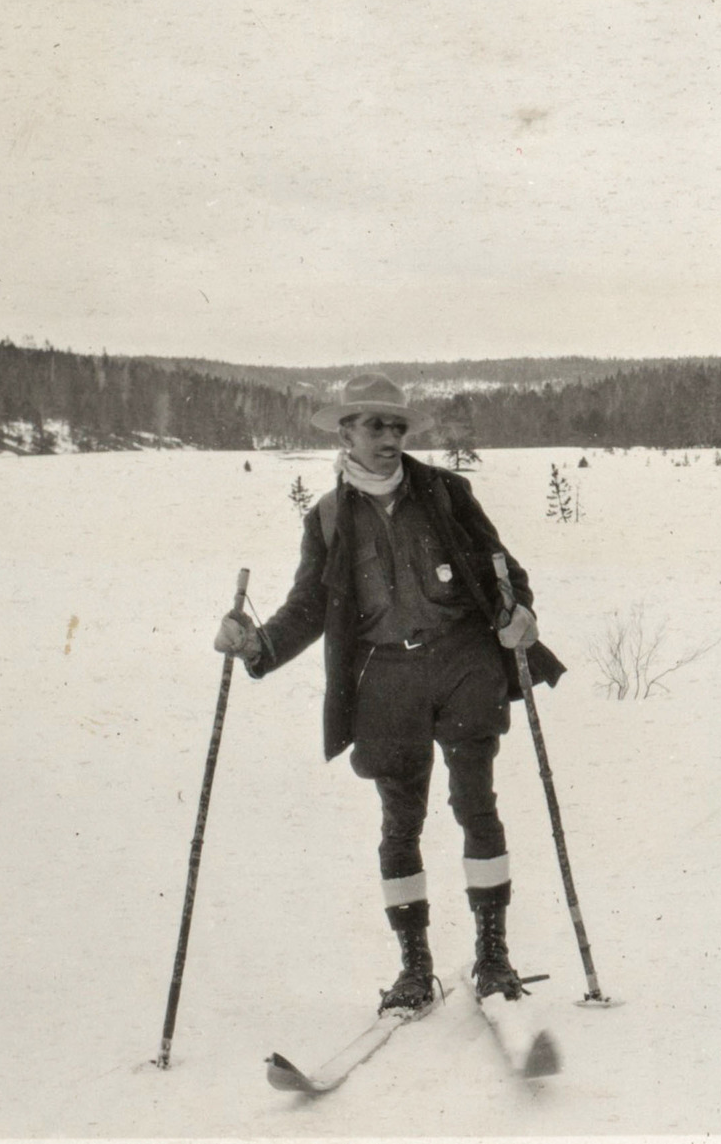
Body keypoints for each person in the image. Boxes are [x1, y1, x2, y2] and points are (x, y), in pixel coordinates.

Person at [213, 373, 565, 1012]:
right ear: (346, 432)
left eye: (397, 426)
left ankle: (493, 957)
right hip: (385, 679)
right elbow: (309, 605)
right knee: (400, 822)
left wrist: (521, 613)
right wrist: (256, 645)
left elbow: (504, 570)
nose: (388, 438)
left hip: (463, 664)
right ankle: (414, 968)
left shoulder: (447, 493)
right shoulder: (327, 516)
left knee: (474, 804)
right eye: (374, 425)